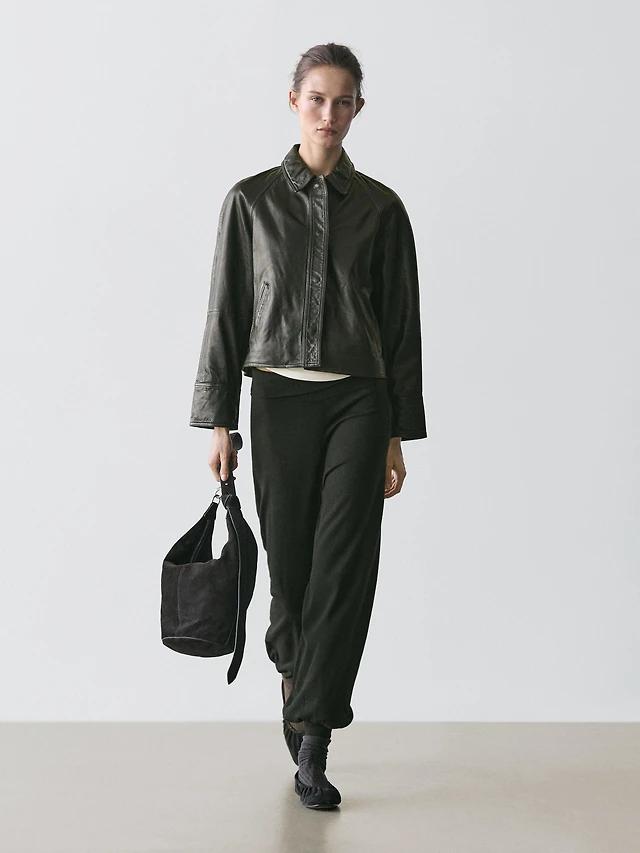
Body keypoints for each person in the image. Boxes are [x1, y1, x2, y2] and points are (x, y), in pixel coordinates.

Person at [189, 42, 427, 809]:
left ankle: (315, 736)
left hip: (361, 401)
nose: (329, 114)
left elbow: (401, 326)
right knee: (290, 569)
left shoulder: (383, 210)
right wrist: (218, 420)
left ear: (359, 109)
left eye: (343, 101)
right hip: (278, 403)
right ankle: (294, 671)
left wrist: (396, 431)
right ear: (294, 101)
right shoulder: (250, 202)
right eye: (317, 98)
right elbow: (225, 314)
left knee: (344, 565)